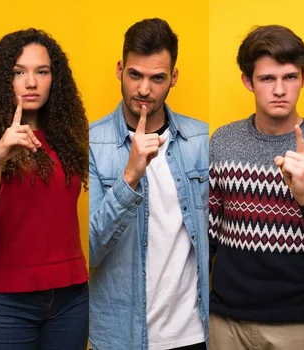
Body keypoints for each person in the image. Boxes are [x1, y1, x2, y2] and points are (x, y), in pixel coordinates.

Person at [89, 18, 209, 350]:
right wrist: (130, 177)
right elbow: (91, 250)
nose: (144, 90)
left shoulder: (200, 139)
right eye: (135, 75)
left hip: (192, 334)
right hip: (119, 337)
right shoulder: (91, 143)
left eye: (157, 78)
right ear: (119, 70)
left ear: (173, 78)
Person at [209, 25, 304, 350]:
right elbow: (206, 235)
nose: (279, 89)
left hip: (298, 326)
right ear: (248, 81)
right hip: (225, 321)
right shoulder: (222, 141)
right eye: (267, 79)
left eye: (289, 77)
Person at [0, 28, 89, 349]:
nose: (31, 82)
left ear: (55, 79)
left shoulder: (69, 141)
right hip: (6, 304)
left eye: (42, 72)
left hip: (71, 297)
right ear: (2, 81)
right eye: (18, 72)